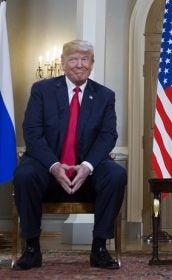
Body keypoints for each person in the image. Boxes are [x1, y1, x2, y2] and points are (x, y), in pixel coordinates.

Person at [13, 40, 127, 270]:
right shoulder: (42, 90)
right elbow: (32, 133)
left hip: (87, 174)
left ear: (92, 64)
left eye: (85, 59)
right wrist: (54, 166)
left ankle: (99, 248)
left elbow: (108, 135)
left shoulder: (105, 96)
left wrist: (86, 166)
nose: (79, 64)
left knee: (116, 174)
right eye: (73, 59)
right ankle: (32, 248)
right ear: (63, 64)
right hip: (47, 171)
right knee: (24, 174)